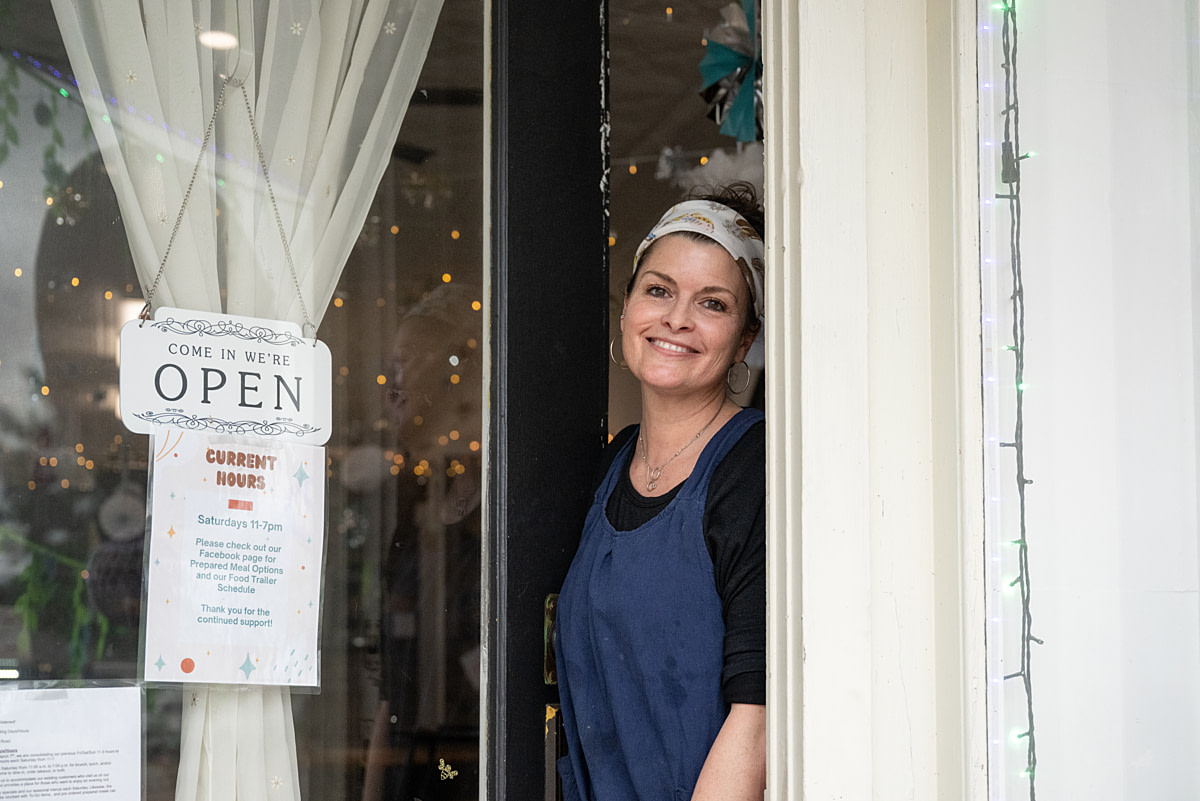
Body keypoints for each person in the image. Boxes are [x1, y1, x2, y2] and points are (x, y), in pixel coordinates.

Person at [555, 183, 767, 801]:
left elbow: (755, 720)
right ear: (626, 308)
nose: (677, 318)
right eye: (659, 290)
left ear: (745, 340)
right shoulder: (613, 464)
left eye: (713, 303)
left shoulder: (753, 468)